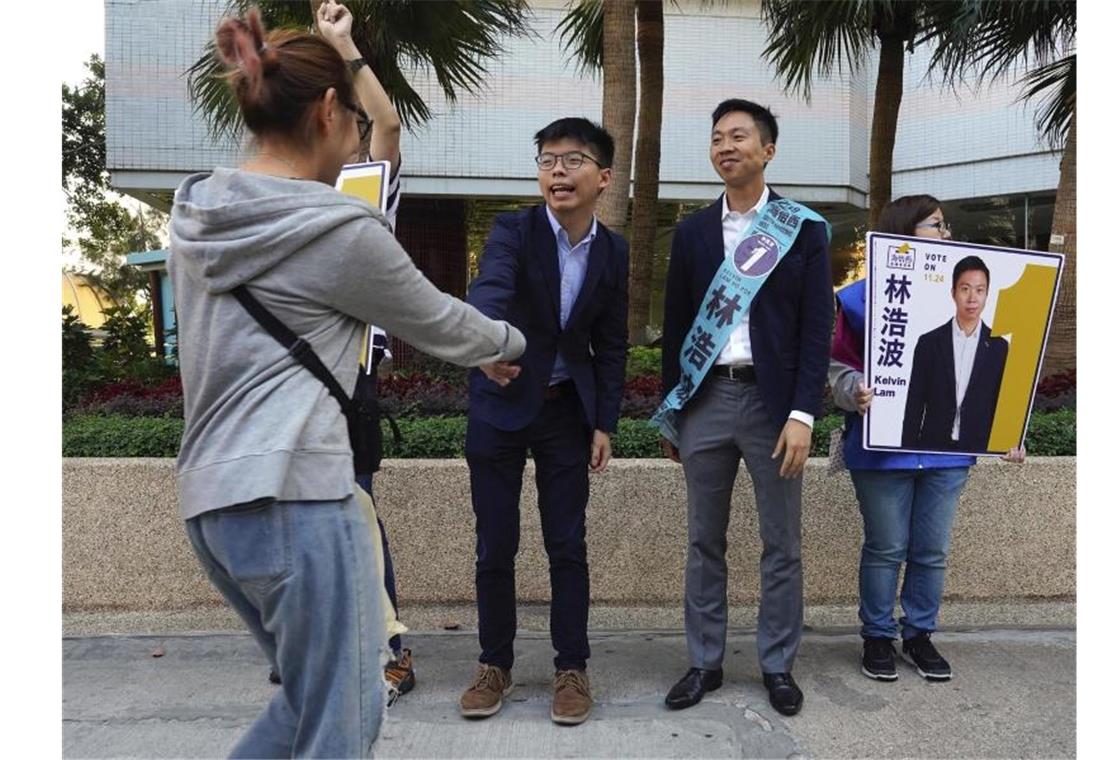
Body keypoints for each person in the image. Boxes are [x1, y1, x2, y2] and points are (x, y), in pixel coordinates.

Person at [168, 6, 525, 756]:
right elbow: (440, 322)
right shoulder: (335, 229)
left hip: (213, 504)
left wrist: (342, 46)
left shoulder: (198, 213)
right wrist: (513, 340)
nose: (362, 141)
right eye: (356, 126)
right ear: (329, 112)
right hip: (296, 498)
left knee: (310, 704)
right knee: (343, 716)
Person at [262, 0, 417, 704]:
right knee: (291, 524)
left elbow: (387, 122)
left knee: (356, 517)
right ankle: (307, 646)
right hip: (275, 393)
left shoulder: (361, 191)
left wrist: (343, 43)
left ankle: (388, 651)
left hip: (344, 386)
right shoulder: (265, 199)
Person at [659, 99, 834, 717]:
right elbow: (679, 324)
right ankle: (704, 660)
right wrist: (672, 409)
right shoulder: (692, 232)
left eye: (739, 136)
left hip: (773, 405)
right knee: (704, 540)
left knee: (781, 542)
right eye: (716, 138)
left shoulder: (803, 229)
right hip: (707, 401)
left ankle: (777, 664)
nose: (725, 146)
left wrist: (803, 414)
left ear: (768, 150)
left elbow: (817, 330)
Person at [459, 118, 629, 726]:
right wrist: (485, 342)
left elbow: (611, 344)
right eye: (547, 159)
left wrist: (604, 421)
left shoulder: (613, 251)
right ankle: (494, 663)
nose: (557, 170)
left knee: (566, 545)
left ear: (603, 177)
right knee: (495, 544)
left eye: (574, 159)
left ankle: (572, 668)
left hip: (565, 412)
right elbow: (491, 289)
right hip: (499, 402)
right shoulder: (513, 231)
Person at [831, 194, 1025, 684]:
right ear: (905, 230)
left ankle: (919, 634)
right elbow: (829, 367)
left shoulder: (992, 334)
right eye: (937, 224)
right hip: (880, 449)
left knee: (932, 549)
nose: (946, 232)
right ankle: (877, 636)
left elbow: (1005, 393)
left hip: (948, 456)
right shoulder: (856, 299)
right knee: (886, 546)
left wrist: (1008, 435)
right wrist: (852, 389)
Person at [901, 255, 1008, 453]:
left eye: (979, 290)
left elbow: (1003, 404)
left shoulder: (999, 347)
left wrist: (1010, 444)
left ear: (987, 294)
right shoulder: (929, 343)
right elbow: (914, 403)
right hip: (931, 448)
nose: (972, 298)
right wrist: (906, 452)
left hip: (978, 450)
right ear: (953, 292)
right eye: (965, 289)